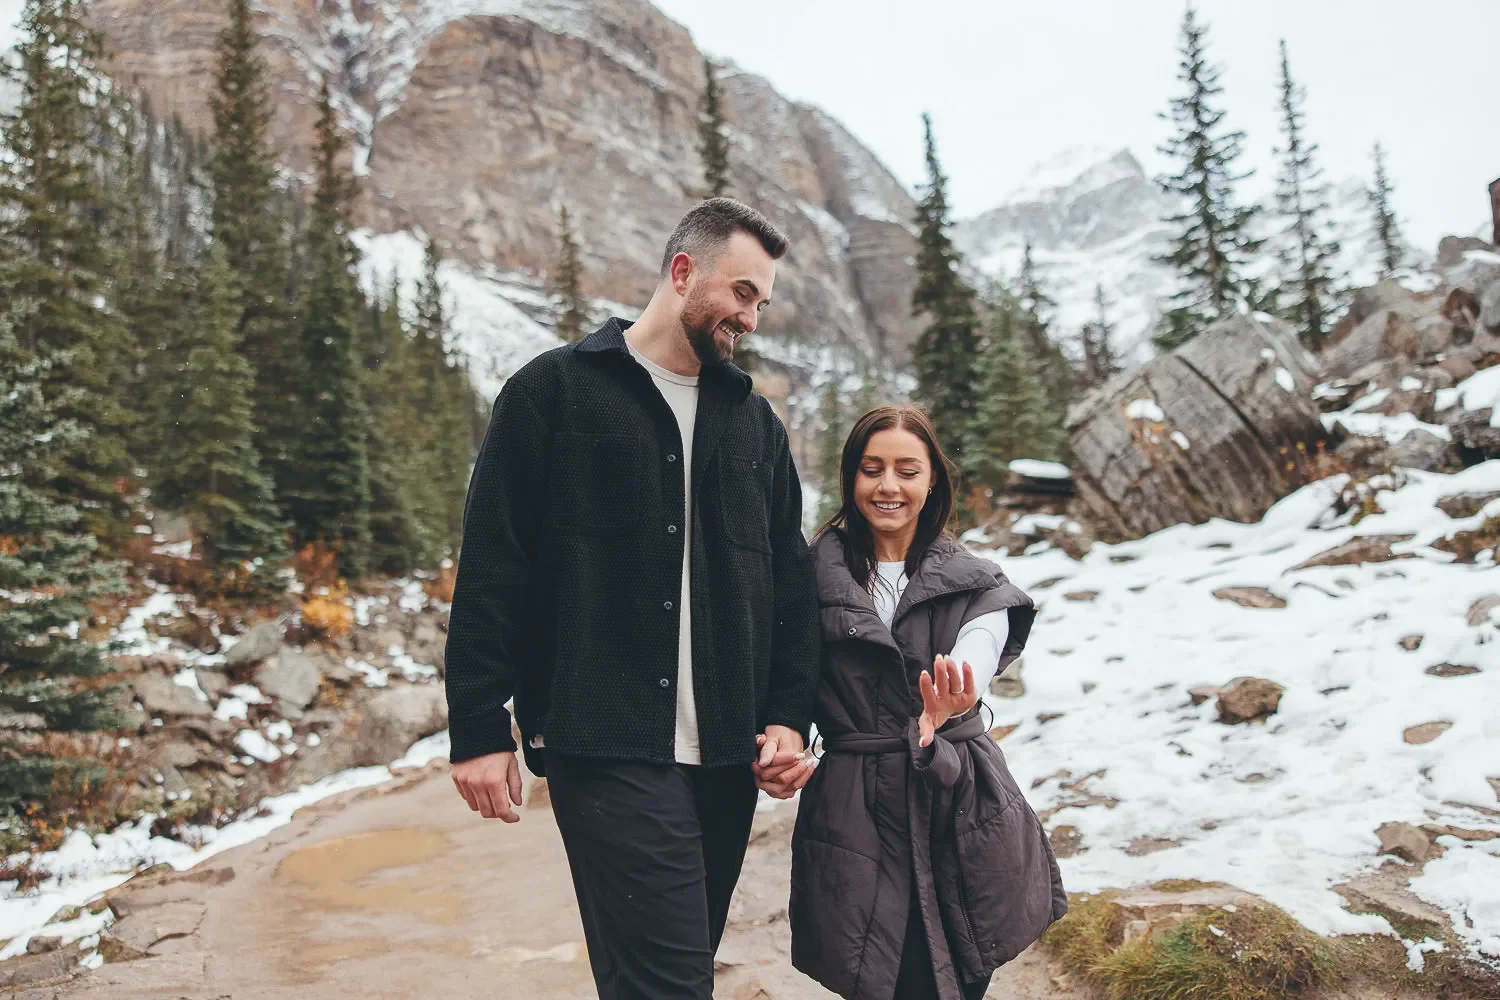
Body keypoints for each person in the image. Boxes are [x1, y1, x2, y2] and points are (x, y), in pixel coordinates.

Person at [442, 197, 820, 1000]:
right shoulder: (554, 393)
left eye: (762, 302)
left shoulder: (756, 429)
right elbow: (492, 568)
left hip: (724, 756)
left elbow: (789, 584)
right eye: (743, 293)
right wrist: (478, 726)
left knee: (655, 978)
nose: (752, 318)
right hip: (604, 744)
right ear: (683, 273)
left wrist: (789, 715)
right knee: (671, 983)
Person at [788, 405, 1068, 1000]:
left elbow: (979, 647)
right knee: (876, 968)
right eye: (872, 469)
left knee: (963, 970)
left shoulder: (974, 580)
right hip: (855, 802)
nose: (888, 486)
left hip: (959, 797)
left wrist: (957, 694)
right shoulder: (806, 579)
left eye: (907, 470)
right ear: (850, 479)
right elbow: (783, 676)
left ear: (931, 479)